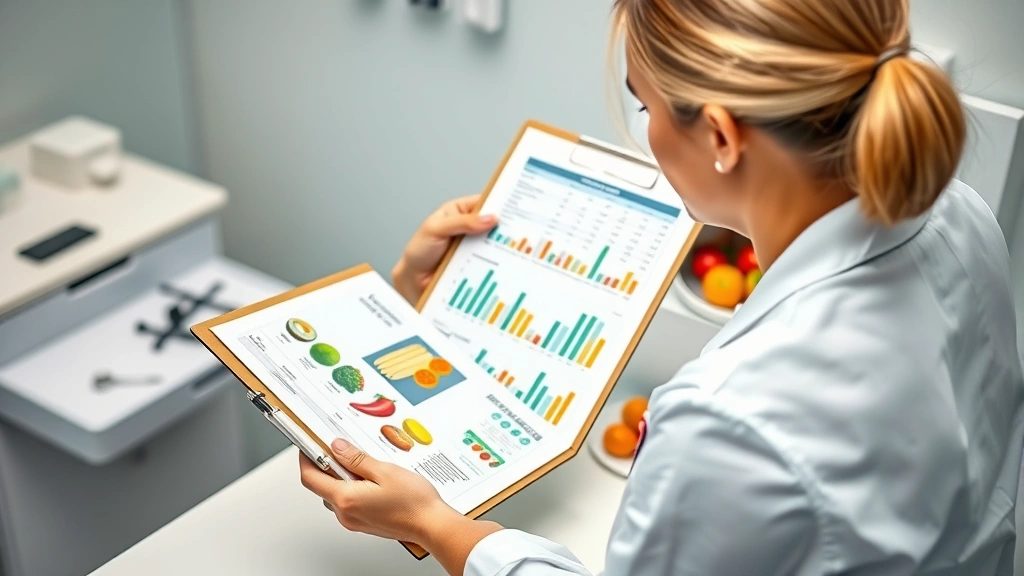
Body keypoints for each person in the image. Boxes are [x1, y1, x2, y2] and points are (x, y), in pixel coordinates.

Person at [299, 0, 1024, 573]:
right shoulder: (960, 215)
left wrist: (434, 524)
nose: (643, 131)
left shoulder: (727, 420)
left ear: (720, 136)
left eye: (643, 107)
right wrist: (420, 300)